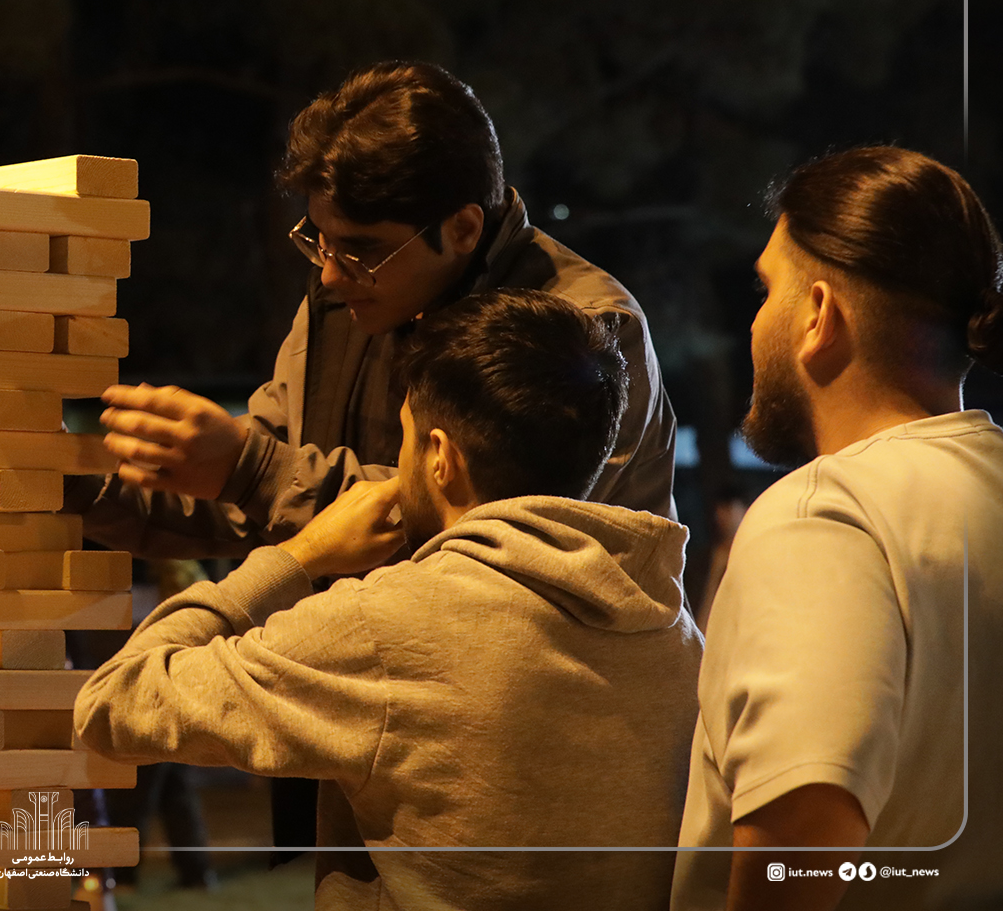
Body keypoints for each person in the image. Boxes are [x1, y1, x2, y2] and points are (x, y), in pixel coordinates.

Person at [73, 59, 681, 858]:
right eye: (317, 241)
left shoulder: (581, 331)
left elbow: (504, 536)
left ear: (463, 228)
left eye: (361, 250)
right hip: (372, 721)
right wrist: (71, 484)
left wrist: (252, 471)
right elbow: (259, 501)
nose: (330, 273)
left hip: (535, 750)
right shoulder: (347, 298)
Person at [75, 288, 703, 910]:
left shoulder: (386, 627)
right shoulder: (673, 629)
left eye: (405, 439)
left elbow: (114, 702)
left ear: (440, 457)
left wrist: (299, 556)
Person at [671, 147, 1003, 911]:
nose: (755, 321)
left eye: (766, 290)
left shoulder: (822, 518)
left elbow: (798, 853)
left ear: (819, 315)